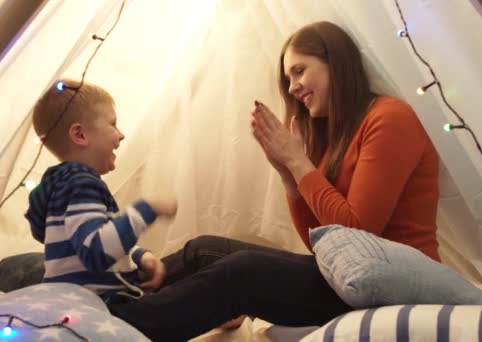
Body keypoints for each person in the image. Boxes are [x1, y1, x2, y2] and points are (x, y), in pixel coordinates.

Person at [108, 21, 440, 341]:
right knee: (202, 248)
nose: (293, 87)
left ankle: (115, 327)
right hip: (352, 277)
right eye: (289, 77)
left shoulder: (389, 119)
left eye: (299, 70)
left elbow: (358, 235)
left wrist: (297, 162)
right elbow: (323, 244)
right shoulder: (337, 140)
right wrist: (288, 176)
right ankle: (107, 291)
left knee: (244, 271)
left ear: (335, 63)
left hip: (391, 285)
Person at [25, 79, 177, 303]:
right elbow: (95, 252)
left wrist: (138, 255)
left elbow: (77, 245)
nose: (121, 134)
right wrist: (147, 208)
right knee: (211, 262)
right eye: (113, 124)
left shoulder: (61, 185)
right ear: (80, 135)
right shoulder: (81, 182)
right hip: (101, 305)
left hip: (70, 302)